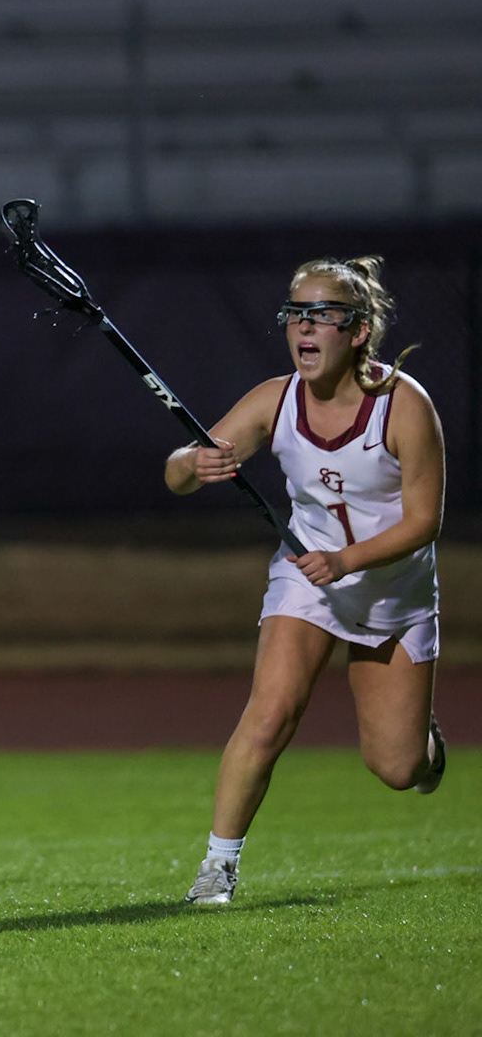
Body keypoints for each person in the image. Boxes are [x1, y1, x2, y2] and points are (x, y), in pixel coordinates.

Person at [167, 256, 445, 905]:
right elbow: (181, 469)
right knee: (270, 713)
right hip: (308, 582)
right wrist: (194, 463)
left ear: (359, 330)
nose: (304, 326)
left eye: (323, 313)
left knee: (397, 768)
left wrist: (349, 561)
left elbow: (426, 521)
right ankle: (217, 868)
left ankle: (428, 749)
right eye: (296, 313)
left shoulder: (405, 406)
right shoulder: (275, 399)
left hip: (393, 594)